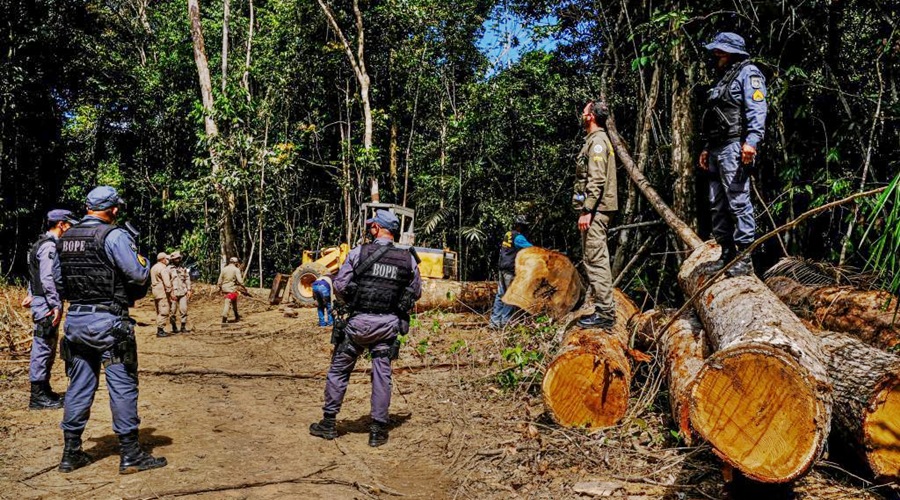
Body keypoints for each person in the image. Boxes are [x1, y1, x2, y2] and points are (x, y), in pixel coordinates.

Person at [56, 186, 166, 474]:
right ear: (113, 209)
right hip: (109, 322)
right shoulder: (114, 235)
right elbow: (139, 273)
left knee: (78, 385)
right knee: (122, 385)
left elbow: (57, 279)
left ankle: (71, 453)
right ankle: (130, 454)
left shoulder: (66, 237)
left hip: (76, 321)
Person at [309, 209, 421, 447]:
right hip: (388, 325)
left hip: (358, 325)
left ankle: (328, 423)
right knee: (382, 375)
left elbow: (339, 285)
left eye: (372, 226)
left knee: (339, 369)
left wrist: (352, 300)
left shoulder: (358, 253)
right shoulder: (408, 259)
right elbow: (416, 292)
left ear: (377, 228)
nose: (370, 229)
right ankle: (377, 430)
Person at [698, 32, 768, 277]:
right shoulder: (723, 79)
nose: (716, 54)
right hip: (717, 148)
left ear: (734, 52)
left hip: (734, 148)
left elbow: (757, 109)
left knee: (738, 202)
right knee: (717, 204)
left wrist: (752, 142)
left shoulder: (749, 73)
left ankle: (745, 257)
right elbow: (715, 117)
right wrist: (707, 148)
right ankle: (726, 253)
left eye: (722, 50)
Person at [22, 209, 78, 410]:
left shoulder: (39, 244)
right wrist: (55, 304)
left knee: (47, 347)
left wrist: (30, 293)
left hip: (42, 301)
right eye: (69, 224)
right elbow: (47, 278)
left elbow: (33, 274)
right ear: (61, 224)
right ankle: (37, 397)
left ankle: (44, 391)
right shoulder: (49, 247)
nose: (71, 228)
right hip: (46, 304)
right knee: (43, 348)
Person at [574, 100, 618, 329]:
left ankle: (605, 315)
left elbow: (597, 179)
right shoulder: (594, 141)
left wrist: (587, 210)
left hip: (597, 210)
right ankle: (604, 310)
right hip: (597, 209)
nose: (582, 115)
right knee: (594, 258)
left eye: (584, 112)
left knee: (595, 259)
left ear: (591, 117)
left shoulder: (598, 142)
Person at [488, 215, 533, 329]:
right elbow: (530, 248)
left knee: (500, 295)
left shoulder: (508, 234)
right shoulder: (518, 237)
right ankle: (505, 323)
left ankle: (494, 322)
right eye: (523, 226)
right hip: (510, 270)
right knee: (510, 296)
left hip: (502, 268)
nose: (525, 229)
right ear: (519, 226)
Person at [167, 250, 192, 333]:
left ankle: (183, 326)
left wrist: (189, 289)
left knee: (184, 310)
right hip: (173, 293)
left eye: (179, 258)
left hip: (183, 292)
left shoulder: (183, 268)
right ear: (172, 259)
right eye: (176, 258)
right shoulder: (168, 269)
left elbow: (187, 279)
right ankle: (174, 326)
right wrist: (170, 292)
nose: (178, 260)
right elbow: (166, 281)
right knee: (172, 311)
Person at [150, 252, 174, 337]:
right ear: (163, 260)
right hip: (162, 292)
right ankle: (160, 329)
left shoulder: (153, 267)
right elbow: (166, 282)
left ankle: (160, 329)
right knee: (164, 310)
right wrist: (170, 292)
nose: (168, 261)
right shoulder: (163, 268)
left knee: (158, 310)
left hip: (155, 292)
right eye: (166, 259)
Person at [217, 256, 245, 323]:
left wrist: (220, 288)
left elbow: (219, 280)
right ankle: (224, 316)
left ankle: (236, 316)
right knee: (228, 302)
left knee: (234, 301)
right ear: (235, 263)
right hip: (231, 289)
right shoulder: (236, 270)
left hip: (225, 289)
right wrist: (243, 286)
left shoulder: (224, 269)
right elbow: (240, 281)